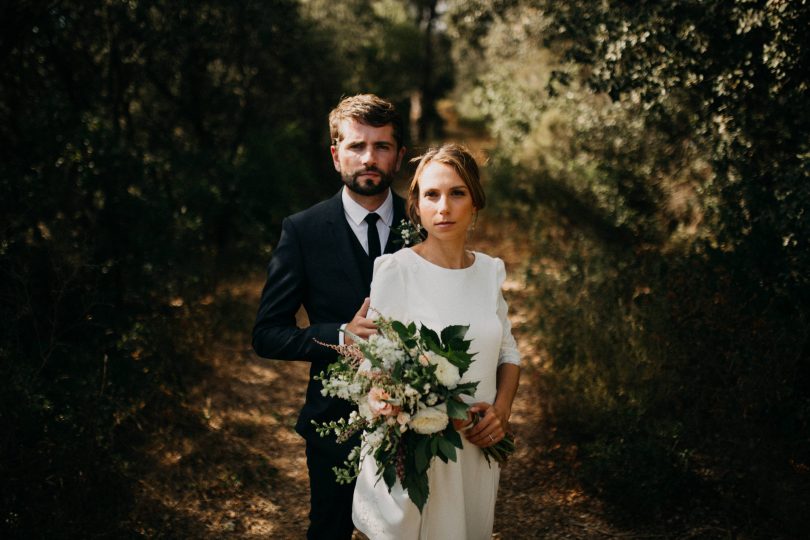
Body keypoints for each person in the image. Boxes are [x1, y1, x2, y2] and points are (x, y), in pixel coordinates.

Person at [252, 94, 408, 540]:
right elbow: (267, 334)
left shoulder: (423, 222)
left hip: (417, 421)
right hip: (333, 422)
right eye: (357, 146)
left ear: (398, 155)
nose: (369, 158)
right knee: (330, 531)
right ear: (336, 153)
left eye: (381, 146)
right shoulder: (301, 230)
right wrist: (338, 334)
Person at [352, 144, 521, 539]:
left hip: (478, 448)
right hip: (419, 450)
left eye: (457, 193)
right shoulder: (396, 270)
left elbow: (508, 351)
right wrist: (390, 398)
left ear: (475, 203)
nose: (443, 206)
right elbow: (374, 364)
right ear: (417, 205)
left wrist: (502, 411)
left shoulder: (489, 272)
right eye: (432, 194)